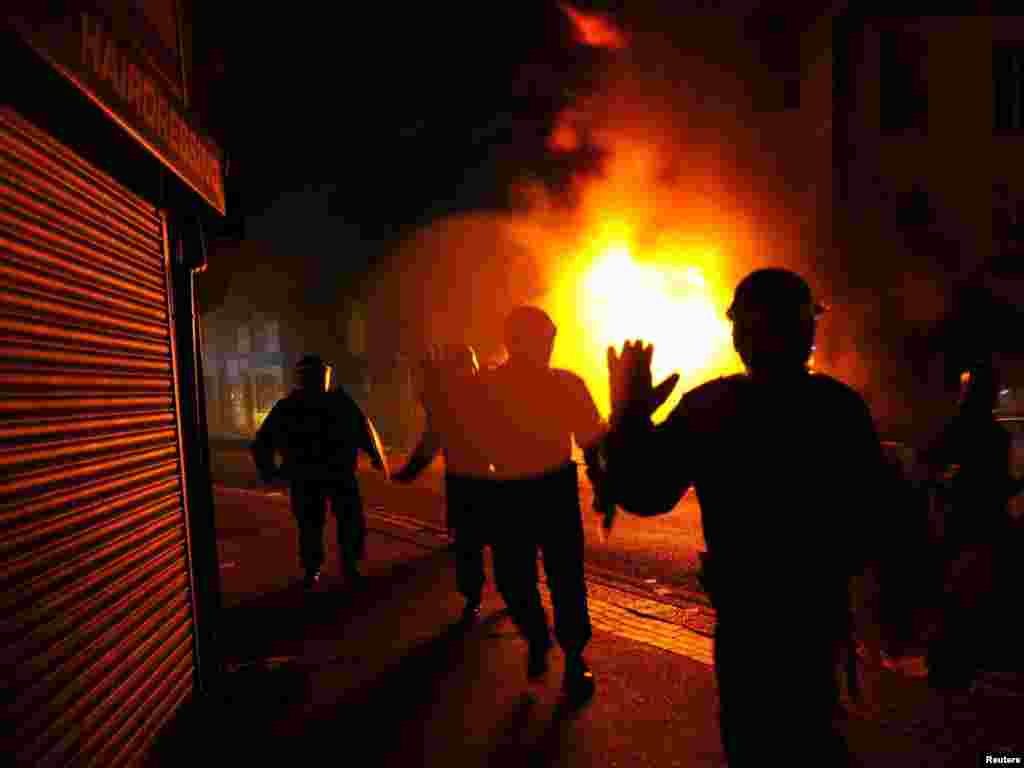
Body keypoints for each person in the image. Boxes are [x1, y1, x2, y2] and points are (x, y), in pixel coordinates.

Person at [603, 268, 887, 765]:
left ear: (739, 335)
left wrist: (629, 417)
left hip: (748, 622)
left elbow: (644, 493)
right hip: (814, 616)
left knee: (756, 741)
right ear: (808, 333)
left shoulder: (712, 406)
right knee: (813, 733)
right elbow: (871, 519)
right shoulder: (838, 408)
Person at [478, 306, 613, 706]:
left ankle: (573, 657)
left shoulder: (566, 384)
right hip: (512, 490)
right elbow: (470, 440)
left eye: (549, 338)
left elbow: (590, 439)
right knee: (513, 579)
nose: (548, 346)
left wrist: (601, 482)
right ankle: (538, 634)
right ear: (515, 342)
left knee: (565, 578)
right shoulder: (489, 386)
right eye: (541, 338)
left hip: (551, 488)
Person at [923, 361, 1024, 692]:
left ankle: (952, 663)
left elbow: (932, 466)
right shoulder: (988, 434)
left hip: (966, 523)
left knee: (959, 594)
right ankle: (956, 663)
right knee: (965, 593)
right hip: (971, 524)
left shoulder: (968, 429)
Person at [251, 354, 389, 589]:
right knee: (333, 521)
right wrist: (376, 457)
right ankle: (339, 565)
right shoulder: (329, 403)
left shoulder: (290, 406)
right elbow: (363, 429)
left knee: (319, 523)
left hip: (315, 475)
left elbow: (261, 443)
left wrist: (271, 473)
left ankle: (321, 567)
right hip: (332, 473)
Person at [393, 343, 492, 626]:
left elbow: (430, 442)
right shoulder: (479, 393)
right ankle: (493, 594)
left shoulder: (448, 401)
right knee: (483, 540)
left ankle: (476, 596)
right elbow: (431, 441)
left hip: (470, 478)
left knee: (471, 541)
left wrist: (410, 471)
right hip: (483, 478)